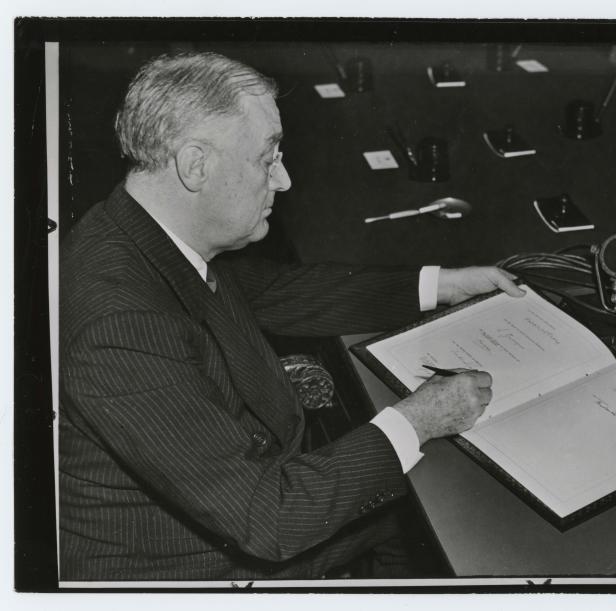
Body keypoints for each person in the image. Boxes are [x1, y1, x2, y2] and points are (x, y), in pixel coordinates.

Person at [58, 51, 524, 581]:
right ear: (195, 165)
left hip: (240, 492)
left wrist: (443, 284)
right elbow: (270, 519)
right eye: (266, 158)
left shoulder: (139, 229)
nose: (283, 180)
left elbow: (274, 289)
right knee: (449, 518)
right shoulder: (120, 327)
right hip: (195, 568)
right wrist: (419, 419)